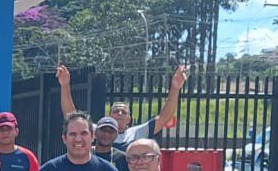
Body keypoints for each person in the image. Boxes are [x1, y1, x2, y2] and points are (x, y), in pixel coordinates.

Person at [57, 63, 188, 150]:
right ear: (109, 116)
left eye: (123, 112)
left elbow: (164, 118)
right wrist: (65, 86)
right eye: (115, 111)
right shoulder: (97, 130)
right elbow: (71, 117)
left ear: (129, 120)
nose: (119, 113)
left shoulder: (136, 133)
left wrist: (175, 88)